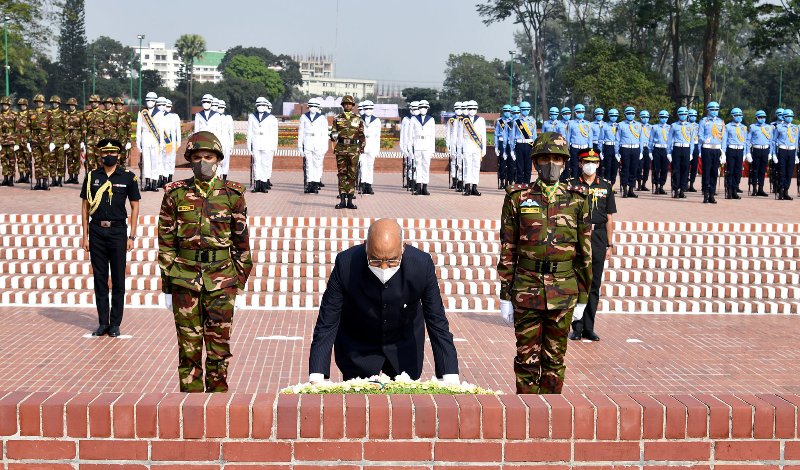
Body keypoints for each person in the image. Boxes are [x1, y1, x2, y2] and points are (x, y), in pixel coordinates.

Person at [308, 218, 460, 383]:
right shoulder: (346, 264)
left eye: (392, 260)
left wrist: (450, 374)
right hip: (359, 346)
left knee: (404, 405)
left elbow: (436, 320)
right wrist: (317, 375)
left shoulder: (421, 266)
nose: (384, 268)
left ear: (403, 247)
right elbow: (327, 321)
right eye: (375, 260)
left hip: (403, 345)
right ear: (366, 245)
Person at [158, 131, 253, 392]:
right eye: (197, 157)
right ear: (189, 160)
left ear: (218, 159)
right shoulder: (175, 194)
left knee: (219, 349)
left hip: (222, 280)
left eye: (208, 157)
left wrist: (240, 284)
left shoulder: (233, 195)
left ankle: (217, 405)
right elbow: (166, 243)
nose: (203, 162)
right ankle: (190, 407)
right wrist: (167, 286)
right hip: (184, 279)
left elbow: (242, 243)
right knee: (188, 349)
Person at [497, 132, 591, 394]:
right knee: (526, 360)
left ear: (565, 162)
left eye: (557, 159)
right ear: (536, 162)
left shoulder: (578, 199)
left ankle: (551, 415)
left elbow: (585, 253)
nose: (552, 164)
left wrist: (584, 296)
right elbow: (508, 247)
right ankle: (526, 415)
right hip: (526, 287)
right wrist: (505, 295)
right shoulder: (518, 197)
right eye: (546, 158)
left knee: (555, 361)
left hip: (563, 291)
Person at [79, 139, 140, 337]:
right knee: (99, 279)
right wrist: (84, 235)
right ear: (101, 155)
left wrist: (132, 235)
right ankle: (103, 323)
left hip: (118, 232)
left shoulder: (129, 177)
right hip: (96, 231)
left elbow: (135, 206)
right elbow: (85, 207)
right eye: (105, 153)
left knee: (118, 279)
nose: (109, 156)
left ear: (119, 155)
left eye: (112, 153)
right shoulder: (91, 177)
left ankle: (115, 324)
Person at [568, 149, 615, 342]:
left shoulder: (606, 186)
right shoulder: (570, 185)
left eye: (594, 162)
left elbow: (610, 218)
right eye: (586, 161)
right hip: (577, 235)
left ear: (598, 164)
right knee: (577, 282)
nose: (590, 165)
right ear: (580, 164)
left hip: (598, 237)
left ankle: (589, 327)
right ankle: (576, 327)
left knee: (594, 283)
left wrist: (610, 245)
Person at [329, 95, 365, 209]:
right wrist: (333, 136)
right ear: (343, 105)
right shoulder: (337, 118)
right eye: (345, 104)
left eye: (349, 104)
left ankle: (350, 200)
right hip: (341, 149)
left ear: (353, 106)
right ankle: (342, 200)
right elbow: (333, 132)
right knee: (341, 174)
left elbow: (362, 136)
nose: (347, 105)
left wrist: (361, 147)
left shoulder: (358, 119)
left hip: (354, 149)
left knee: (352, 174)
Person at [247, 97, 279, 193]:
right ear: (256, 106)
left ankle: (264, 184)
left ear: (266, 106)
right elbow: (249, 132)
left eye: (263, 105)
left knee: (265, 164)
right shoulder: (252, 116)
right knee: (257, 164)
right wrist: (249, 145)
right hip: (256, 143)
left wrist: (274, 147)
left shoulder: (271, 118)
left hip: (267, 144)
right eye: (259, 105)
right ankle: (257, 184)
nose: (261, 107)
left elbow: (274, 134)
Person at [698, 101, 726, 204]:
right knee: (706, 171)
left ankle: (712, 194)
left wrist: (723, 152)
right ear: (708, 110)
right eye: (712, 110)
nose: (715, 111)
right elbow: (699, 134)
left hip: (717, 149)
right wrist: (704, 140)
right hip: (707, 148)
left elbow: (724, 137)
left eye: (716, 110)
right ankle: (705, 193)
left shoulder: (721, 122)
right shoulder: (703, 121)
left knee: (714, 172)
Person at [298, 97, 328, 194]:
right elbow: (301, 132)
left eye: (315, 106)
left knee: (317, 164)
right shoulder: (304, 117)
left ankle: (315, 183)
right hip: (308, 143)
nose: (313, 108)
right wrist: (299, 146)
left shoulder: (322, 118)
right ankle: (309, 184)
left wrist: (325, 147)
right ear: (308, 107)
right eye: (311, 106)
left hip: (318, 143)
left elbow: (324, 134)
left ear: (317, 107)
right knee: (308, 165)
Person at [459, 100, 486, 196]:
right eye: (470, 108)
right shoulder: (463, 120)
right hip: (467, 145)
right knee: (467, 166)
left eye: (474, 108)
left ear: (476, 109)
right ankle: (467, 187)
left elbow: (483, 135)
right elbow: (460, 136)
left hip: (477, 146)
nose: (472, 110)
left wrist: (483, 149)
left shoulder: (481, 120)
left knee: (476, 167)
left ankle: (474, 187)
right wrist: (460, 149)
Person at [615, 106, 643, 198]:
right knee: (625, 169)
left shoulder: (639, 125)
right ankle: (625, 190)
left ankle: (631, 189)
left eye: (632, 114)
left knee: (634, 169)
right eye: (628, 114)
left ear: (634, 114)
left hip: (635, 148)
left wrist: (641, 151)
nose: (630, 115)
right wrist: (616, 152)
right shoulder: (621, 125)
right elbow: (617, 139)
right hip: (625, 148)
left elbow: (641, 139)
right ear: (625, 114)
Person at [666, 107, 694, 199]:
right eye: (681, 114)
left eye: (684, 114)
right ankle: (675, 190)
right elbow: (669, 140)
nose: (683, 116)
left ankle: (682, 190)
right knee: (676, 170)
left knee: (685, 170)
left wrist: (691, 153)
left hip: (686, 148)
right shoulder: (674, 125)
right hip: (677, 148)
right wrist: (668, 153)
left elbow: (692, 141)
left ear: (687, 115)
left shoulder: (690, 126)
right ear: (678, 115)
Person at [409, 99, 436, 195]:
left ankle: (425, 187)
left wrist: (432, 150)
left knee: (426, 166)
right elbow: (410, 134)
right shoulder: (414, 119)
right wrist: (410, 147)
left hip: (427, 145)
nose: (423, 109)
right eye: (421, 107)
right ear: (418, 108)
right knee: (418, 166)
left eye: (425, 107)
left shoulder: (431, 119)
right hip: (417, 144)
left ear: (428, 109)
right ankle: (418, 186)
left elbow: (433, 136)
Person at [772, 108, 798, 200]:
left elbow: (796, 142)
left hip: (791, 151)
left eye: (791, 116)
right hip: (782, 150)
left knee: (789, 172)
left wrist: (795, 155)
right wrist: (774, 154)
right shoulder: (779, 127)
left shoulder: (795, 128)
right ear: (784, 117)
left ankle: (786, 191)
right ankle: (780, 191)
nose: (790, 118)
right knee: (782, 172)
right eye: (787, 116)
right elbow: (774, 141)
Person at [564, 104, 592, 181]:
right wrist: (567, 149)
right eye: (579, 112)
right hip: (574, 148)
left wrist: (590, 149)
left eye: (582, 112)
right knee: (575, 167)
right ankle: (575, 183)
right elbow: (568, 137)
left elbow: (590, 138)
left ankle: (583, 183)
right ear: (575, 113)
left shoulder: (588, 124)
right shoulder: (571, 123)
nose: (581, 113)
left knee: (585, 167)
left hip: (584, 148)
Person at [747, 110, 773, 197]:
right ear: (757, 118)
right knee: (755, 170)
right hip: (756, 150)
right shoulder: (753, 127)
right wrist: (748, 153)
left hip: (765, 150)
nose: (762, 119)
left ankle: (760, 189)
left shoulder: (769, 127)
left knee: (763, 170)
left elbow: (771, 141)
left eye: (763, 117)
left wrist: (771, 152)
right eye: (760, 117)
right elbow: (748, 140)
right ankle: (754, 188)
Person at [724, 107, 747, 199]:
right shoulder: (728, 127)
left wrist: (745, 153)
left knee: (738, 172)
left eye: (740, 115)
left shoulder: (744, 127)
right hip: (731, 150)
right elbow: (725, 141)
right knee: (730, 171)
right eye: (736, 115)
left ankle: (735, 189)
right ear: (732, 116)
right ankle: (729, 190)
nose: (738, 117)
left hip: (740, 150)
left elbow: (745, 141)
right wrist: (724, 153)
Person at [29, 94, 51, 190]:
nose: (39, 103)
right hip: (35, 139)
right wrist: (28, 139)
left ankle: (45, 182)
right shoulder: (31, 113)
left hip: (45, 139)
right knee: (37, 162)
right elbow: (28, 128)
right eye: (37, 101)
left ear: (43, 103)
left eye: (40, 101)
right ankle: (38, 182)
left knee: (45, 161)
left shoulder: (47, 113)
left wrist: (52, 140)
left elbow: (51, 127)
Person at [511, 101, 537, 184]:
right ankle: (519, 184)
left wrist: (535, 147)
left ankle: (527, 184)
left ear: (529, 110)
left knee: (528, 167)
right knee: (519, 166)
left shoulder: (533, 121)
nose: (525, 111)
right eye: (523, 109)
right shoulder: (516, 121)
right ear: (520, 110)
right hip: (519, 145)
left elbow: (534, 136)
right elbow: (512, 136)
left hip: (529, 145)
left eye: (527, 109)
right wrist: (512, 149)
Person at [360, 100, 381, 194]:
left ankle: (369, 185)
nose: (368, 110)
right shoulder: (359, 119)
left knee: (370, 165)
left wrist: (377, 149)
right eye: (366, 108)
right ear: (363, 109)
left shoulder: (377, 120)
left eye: (370, 108)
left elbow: (378, 136)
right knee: (362, 165)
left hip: (372, 145)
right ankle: (363, 183)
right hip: (362, 146)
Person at [649, 110, 670, 195]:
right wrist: (650, 151)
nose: (664, 119)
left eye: (665, 117)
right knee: (656, 169)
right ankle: (656, 185)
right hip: (657, 149)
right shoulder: (655, 127)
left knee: (665, 169)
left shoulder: (670, 127)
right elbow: (651, 140)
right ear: (659, 117)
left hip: (666, 149)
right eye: (662, 117)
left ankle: (661, 186)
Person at [48, 96, 68, 188]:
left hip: (60, 141)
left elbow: (66, 128)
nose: (54, 104)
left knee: (61, 161)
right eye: (53, 103)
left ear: (59, 104)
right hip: (50, 140)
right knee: (51, 161)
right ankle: (53, 180)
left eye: (56, 103)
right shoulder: (47, 113)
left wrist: (67, 142)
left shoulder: (63, 113)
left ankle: (59, 180)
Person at [83, 94, 105, 172]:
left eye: (95, 102)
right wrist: (83, 141)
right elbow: (84, 127)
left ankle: (101, 177)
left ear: (98, 103)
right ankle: (91, 178)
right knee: (90, 160)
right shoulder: (86, 114)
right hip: (90, 140)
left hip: (100, 140)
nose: (93, 103)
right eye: (92, 102)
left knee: (100, 160)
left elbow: (106, 128)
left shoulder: (103, 114)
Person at [64, 98, 83, 183]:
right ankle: (70, 176)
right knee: (69, 158)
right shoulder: (65, 114)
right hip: (68, 139)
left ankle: (76, 177)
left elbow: (83, 127)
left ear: (75, 105)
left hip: (77, 139)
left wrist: (82, 140)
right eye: (70, 105)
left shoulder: (79, 114)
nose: (71, 106)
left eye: (72, 105)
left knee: (76, 158)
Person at [401, 101, 419, 190]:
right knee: (409, 164)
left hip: (417, 145)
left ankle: (415, 182)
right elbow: (403, 134)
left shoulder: (419, 120)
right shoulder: (406, 119)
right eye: (414, 109)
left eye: (417, 109)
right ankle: (410, 181)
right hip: (408, 144)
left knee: (416, 164)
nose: (415, 111)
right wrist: (403, 147)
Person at [162, 99, 181, 183]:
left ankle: (170, 176)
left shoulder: (175, 116)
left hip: (172, 142)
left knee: (171, 160)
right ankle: (163, 178)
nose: (168, 108)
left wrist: (178, 142)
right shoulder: (160, 115)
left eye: (169, 106)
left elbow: (178, 130)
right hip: (163, 142)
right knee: (162, 160)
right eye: (166, 106)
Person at [446, 102, 463, 190]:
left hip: (461, 144)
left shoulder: (465, 120)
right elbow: (448, 133)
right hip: (453, 143)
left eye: (460, 108)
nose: (458, 110)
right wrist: (448, 145)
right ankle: (454, 181)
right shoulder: (451, 120)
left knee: (461, 163)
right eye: (456, 108)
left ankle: (461, 182)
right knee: (453, 163)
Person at [216, 99, 234, 181]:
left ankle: (224, 178)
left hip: (226, 141)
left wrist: (231, 144)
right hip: (217, 141)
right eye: (219, 107)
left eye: (222, 107)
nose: (221, 108)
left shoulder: (228, 117)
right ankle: (218, 177)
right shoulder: (214, 117)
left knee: (226, 161)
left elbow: (231, 131)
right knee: (217, 160)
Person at [0, 96, 17, 186]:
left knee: (11, 160)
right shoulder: (0, 115)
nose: (4, 106)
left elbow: (17, 128)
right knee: (3, 160)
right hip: (2, 140)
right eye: (3, 104)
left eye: (6, 104)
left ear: (9, 105)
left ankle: (11, 178)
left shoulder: (13, 115)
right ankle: (5, 178)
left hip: (11, 140)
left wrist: (16, 141)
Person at [15, 98, 32, 184]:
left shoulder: (30, 115)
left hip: (26, 139)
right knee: (19, 158)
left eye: (24, 105)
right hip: (18, 138)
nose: (22, 106)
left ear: (26, 105)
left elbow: (32, 127)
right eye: (21, 105)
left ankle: (27, 176)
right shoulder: (16, 115)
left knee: (27, 159)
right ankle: (21, 176)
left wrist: (30, 139)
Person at [601, 108, 620, 187]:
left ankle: (612, 184)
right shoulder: (604, 126)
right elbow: (601, 139)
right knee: (607, 167)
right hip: (608, 147)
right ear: (609, 116)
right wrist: (601, 151)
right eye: (612, 115)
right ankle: (607, 184)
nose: (614, 117)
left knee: (615, 167)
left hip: (616, 147)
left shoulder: (619, 126)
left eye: (615, 116)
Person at [495, 104, 512, 187]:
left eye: (509, 111)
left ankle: (510, 181)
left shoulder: (513, 121)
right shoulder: (499, 121)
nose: (507, 112)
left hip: (510, 143)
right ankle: (502, 180)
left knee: (511, 162)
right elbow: (495, 134)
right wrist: (496, 146)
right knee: (502, 162)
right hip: (501, 142)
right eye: (505, 111)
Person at [114, 98, 132, 169]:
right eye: (117, 105)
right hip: (114, 139)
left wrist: (129, 141)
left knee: (123, 158)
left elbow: (129, 129)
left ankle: (123, 174)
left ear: (122, 105)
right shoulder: (112, 115)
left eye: (120, 104)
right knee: (115, 157)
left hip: (123, 140)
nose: (118, 106)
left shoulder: (126, 115)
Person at [637, 110, 652, 191]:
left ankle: (644, 184)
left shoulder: (651, 127)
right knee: (638, 167)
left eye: (647, 117)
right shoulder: (637, 126)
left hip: (647, 148)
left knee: (647, 166)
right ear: (640, 118)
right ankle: (638, 183)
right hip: (639, 148)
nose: (645, 119)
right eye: (643, 117)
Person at [687, 109, 700, 192]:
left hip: (696, 145)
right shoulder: (685, 125)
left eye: (695, 116)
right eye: (691, 115)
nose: (693, 117)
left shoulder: (698, 126)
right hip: (687, 146)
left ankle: (691, 184)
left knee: (694, 166)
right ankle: (685, 183)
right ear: (688, 116)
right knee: (685, 166)